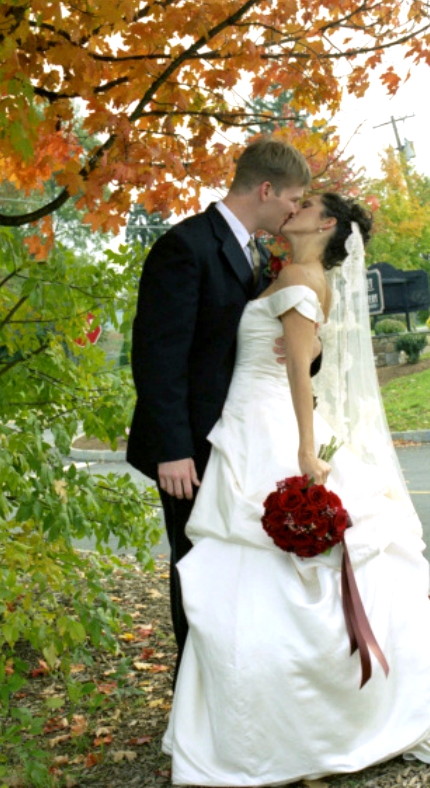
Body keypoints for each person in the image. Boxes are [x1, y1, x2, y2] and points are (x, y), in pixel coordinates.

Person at [162, 192, 430, 786]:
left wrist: (303, 448)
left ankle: (285, 731)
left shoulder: (295, 273)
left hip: (269, 422)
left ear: (327, 223)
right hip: (253, 414)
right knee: (267, 575)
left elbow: (297, 370)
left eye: (308, 203)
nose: (295, 206)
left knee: (263, 574)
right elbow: (306, 353)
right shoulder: (303, 275)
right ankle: (300, 721)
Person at [127, 138, 316, 667]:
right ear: (265, 189)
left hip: (236, 435)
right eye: (293, 199)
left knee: (234, 569)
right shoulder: (185, 246)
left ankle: (234, 688)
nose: (294, 210)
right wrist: (172, 449)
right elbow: (157, 355)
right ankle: (196, 699)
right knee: (197, 568)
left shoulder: (254, 251)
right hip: (189, 449)